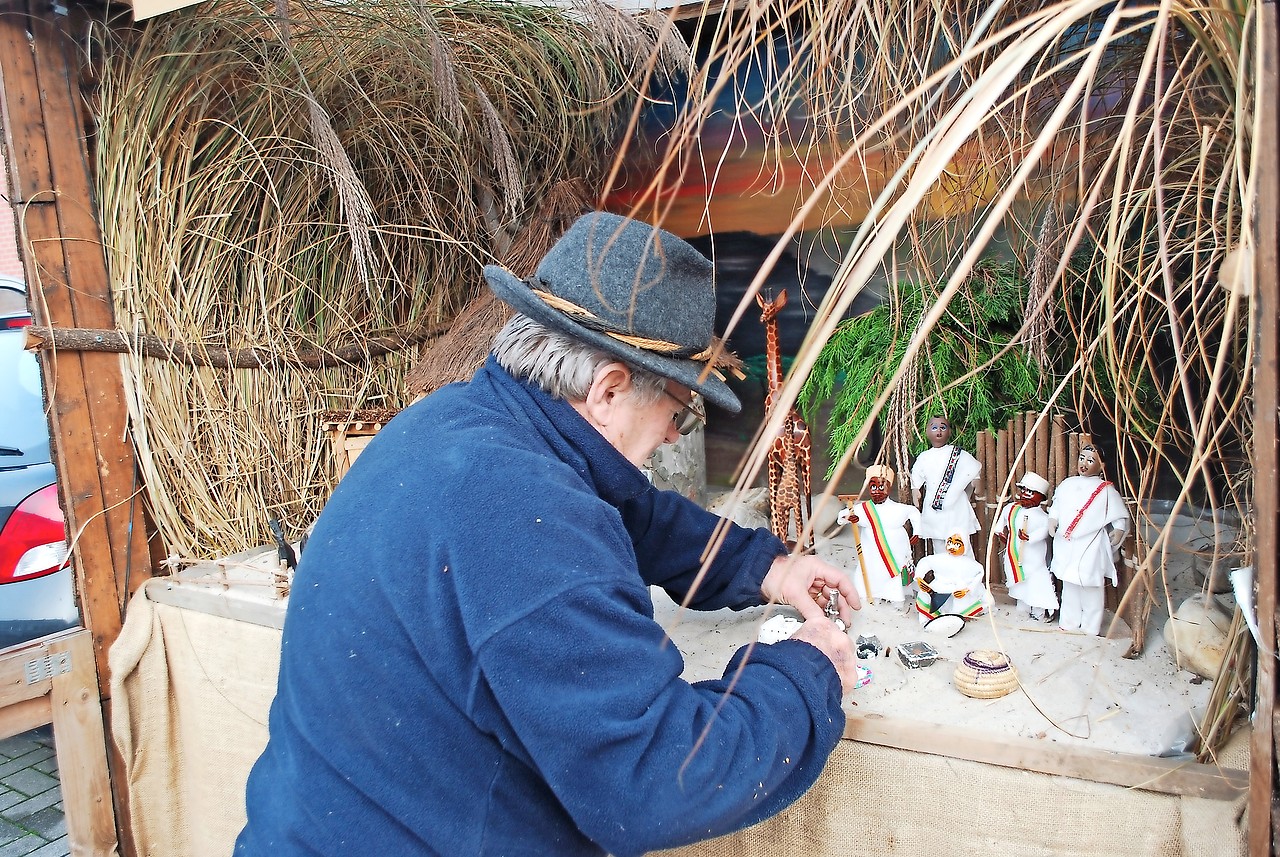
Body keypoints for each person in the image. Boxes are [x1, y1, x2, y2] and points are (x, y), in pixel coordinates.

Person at [234, 211, 861, 857]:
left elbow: (631, 509)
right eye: (679, 408)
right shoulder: (527, 520)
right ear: (609, 390)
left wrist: (764, 565)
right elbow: (656, 777)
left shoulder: (460, 423)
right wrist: (805, 670)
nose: (677, 432)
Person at [1047, 443, 1129, 635]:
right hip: (1066, 542)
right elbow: (1057, 505)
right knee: (1069, 586)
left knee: (1091, 586)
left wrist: (1118, 529)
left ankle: (1091, 627)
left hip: (1091, 543)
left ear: (1101, 466)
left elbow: (1118, 514)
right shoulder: (1067, 484)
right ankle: (1069, 621)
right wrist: (1053, 519)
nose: (1084, 464)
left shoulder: (1106, 490)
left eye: (1091, 460)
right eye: (1082, 458)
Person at [836, 465, 920, 604]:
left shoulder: (898, 508)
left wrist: (918, 532)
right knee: (871, 571)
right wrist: (850, 518)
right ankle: (870, 595)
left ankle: (895, 598)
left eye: (881, 487)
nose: (876, 491)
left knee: (894, 574)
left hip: (895, 551)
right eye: (873, 487)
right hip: (871, 551)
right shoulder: (864, 508)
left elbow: (914, 513)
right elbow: (842, 516)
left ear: (889, 487)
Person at [910, 415, 981, 556]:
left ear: (949, 432)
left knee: (961, 541)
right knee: (939, 544)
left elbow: (973, 469)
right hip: (934, 505)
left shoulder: (959, 454)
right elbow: (916, 477)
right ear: (927, 431)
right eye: (934, 427)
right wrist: (915, 490)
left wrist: (976, 482)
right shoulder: (924, 457)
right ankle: (943, 575)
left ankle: (965, 575)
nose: (939, 431)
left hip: (956, 506)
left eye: (943, 427)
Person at [992, 472, 1057, 621]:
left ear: (1040, 497)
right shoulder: (1011, 509)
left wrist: (1030, 538)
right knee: (1019, 583)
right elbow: (1000, 524)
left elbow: (1044, 531)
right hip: (1013, 555)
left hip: (1033, 558)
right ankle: (1023, 608)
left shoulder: (1042, 516)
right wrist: (1000, 533)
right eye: (1023, 490)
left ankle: (1039, 612)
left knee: (1035, 583)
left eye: (1031, 492)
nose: (1025, 495)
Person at [913, 533, 991, 626]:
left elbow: (979, 574)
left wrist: (967, 590)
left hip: (959, 591)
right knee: (926, 596)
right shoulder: (940, 559)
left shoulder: (970, 563)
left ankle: (957, 619)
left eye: (957, 544)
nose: (952, 547)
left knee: (963, 606)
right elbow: (925, 562)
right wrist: (919, 577)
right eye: (950, 542)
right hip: (940, 588)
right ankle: (927, 620)